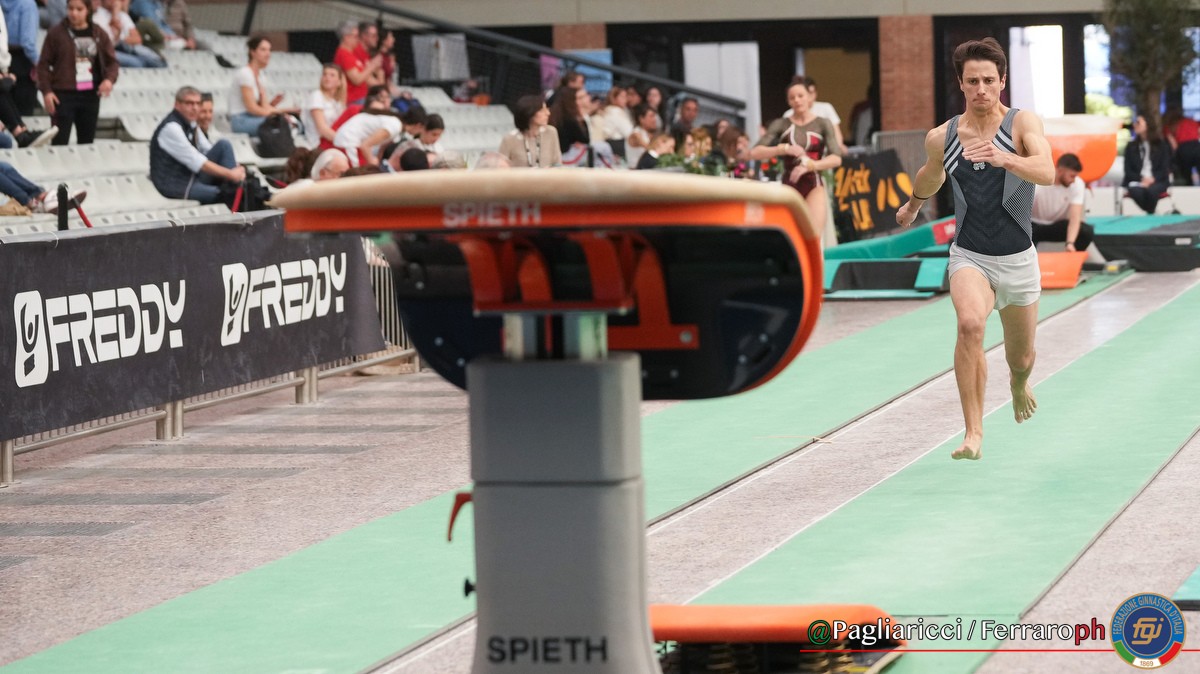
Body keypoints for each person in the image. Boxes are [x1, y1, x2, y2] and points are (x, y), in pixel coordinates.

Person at [895, 38, 1054, 461]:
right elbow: (931, 175)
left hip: (1018, 260)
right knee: (969, 325)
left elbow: (1047, 170)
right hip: (971, 256)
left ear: (1002, 81)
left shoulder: (1022, 124)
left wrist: (1006, 159)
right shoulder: (942, 137)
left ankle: (1018, 383)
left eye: (988, 80)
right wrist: (913, 205)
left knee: (1022, 358)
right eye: (972, 81)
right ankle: (973, 433)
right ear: (960, 84)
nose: (980, 88)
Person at [750, 78, 843, 238]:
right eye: (792, 98)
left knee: (814, 236)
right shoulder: (781, 124)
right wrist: (783, 148)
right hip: (789, 185)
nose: (797, 100)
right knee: (791, 236)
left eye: (801, 96)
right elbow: (755, 152)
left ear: (810, 97)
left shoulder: (823, 123)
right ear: (788, 101)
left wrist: (811, 165)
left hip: (813, 184)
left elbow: (836, 158)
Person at [38, 0, 119, 145]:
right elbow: (43, 65)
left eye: (79, 9)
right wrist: (47, 91)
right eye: (71, 8)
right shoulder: (56, 33)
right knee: (59, 142)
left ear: (87, 10)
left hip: (90, 94)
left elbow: (112, 62)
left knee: (87, 142)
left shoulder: (98, 33)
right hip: (62, 95)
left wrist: (109, 80)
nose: (74, 13)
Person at [150, 86, 245, 204]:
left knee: (224, 145)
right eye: (189, 103)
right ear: (177, 105)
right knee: (224, 195)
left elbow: (207, 148)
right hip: (176, 185)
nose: (195, 108)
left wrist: (236, 167)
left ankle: (237, 188)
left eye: (198, 104)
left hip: (191, 177)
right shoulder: (171, 128)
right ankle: (236, 189)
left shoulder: (191, 123)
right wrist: (231, 174)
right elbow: (198, 162)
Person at [0, 3, 56, 147]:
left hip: (9, 61)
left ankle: (21, 132)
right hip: (19, 62)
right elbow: (28, 42)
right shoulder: (27, 5)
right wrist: (42, 67)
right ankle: (21, 133)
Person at [229, 35, 296, 136]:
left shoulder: (261, 76)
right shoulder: (245, 73)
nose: (268, 54)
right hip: (241, 119)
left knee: (292, 122)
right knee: (280, 124)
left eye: (269, 50)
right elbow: (252, 108)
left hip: (253, 117)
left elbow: (264, 106)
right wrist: (278, 114)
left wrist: (285, 112)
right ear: (252, 52)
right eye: (263, 50)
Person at [1031, 153, 1094, 252]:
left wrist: (1070, 243)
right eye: (1072, 176)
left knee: (1086, 231)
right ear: (1060, 170)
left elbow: (1075, 218)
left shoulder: (1077, 184)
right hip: (1032, 225)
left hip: (1056, 226)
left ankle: (1072, 258)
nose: (1073, 180)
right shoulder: (1039, 181)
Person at [1123, 114, 1172, 214]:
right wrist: (1142, 180)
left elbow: (1164, 167)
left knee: (1152, 191)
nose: (1135, 125)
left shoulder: (1161, 145)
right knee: (1136, 191)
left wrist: (1152, 179)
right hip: (1137, 180)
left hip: (1157, 180)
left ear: (1148, 125)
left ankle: (1150, 212)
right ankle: (1151, 212)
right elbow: (1128, 169)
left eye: (1138, 123)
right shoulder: (1131, 146)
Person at [497, 94, 561, 168]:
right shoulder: (510, 139)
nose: (548, 113)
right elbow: (500, 168)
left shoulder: (551, 132)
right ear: (529, 113)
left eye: (547, 109)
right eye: (542, 111)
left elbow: (557, 163)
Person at [303, 63, 346, 147]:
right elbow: (322, 129)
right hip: (319, 142)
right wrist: (344, 141)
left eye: (332, 75)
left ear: (339, 82)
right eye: (324, 74)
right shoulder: (316, 95)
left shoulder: (337, 102)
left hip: (333, 139)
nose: (327, 78)